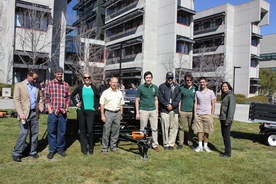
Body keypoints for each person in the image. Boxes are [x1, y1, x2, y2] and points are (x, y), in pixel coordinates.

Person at [12, 70, 43, 162]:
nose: (35, 80)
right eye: (34, 78)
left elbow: (40, 98)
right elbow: (16, 100)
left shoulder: (37, 86)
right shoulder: (19, 85)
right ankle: (17, 152)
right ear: (28, 76)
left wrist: (41, 106)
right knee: (23, 133)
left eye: (36, 79)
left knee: (35, 133)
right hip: (24, 114)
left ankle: (32, 151)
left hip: (34, 113)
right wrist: (20, 112)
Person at [44, 67, 70, 159]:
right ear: (55, 74)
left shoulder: (66, 85)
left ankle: (60, 149)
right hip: (53, 112)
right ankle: (52, 150)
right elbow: (46, 97)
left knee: (62, 132)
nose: (60, 75)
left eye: (61, 74)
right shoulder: (50, 84)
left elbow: (67, 98)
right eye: (58, 74)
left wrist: (66, 108)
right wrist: (49, 109)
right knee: (51, 131)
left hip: (62, 112)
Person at [71, 73, 100, 155]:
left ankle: (91, 147)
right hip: (81, 111)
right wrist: (76, 103)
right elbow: (72, 95)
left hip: (91, 111)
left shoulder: (94, 88)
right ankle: (84, 148)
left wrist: (96, 106)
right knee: (82, 130)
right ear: (83, 79)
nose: (87, 79)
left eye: (88, 77)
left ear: (90, 78)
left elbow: (98, 96)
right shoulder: (80, 87)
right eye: (85, 77)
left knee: (90, 130)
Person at [136, 71, 160, 152]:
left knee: (154, 129)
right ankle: (141, 143)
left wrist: (157, 111)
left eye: (149, 77)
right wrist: (137, 112)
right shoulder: (140, 88)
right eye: (147, 78)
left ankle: (155, 144)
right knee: (142, 129)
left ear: (151, 78)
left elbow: (156, 100)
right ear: (144, 79)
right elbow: (137, 100)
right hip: (143, 110)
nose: (148, 79)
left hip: (153, 110)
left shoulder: (155, 88)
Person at [100, 77, 124, 154]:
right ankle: (104, 148)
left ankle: (113, 147)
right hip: (108, 113)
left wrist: (121, 114)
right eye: (113, 82)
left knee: (115, 132)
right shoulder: (105, 92)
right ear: (110, 83)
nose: (114, 84)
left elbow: (121, 104)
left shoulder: (119, 93)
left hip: (117, 113)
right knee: (106, 131)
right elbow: (102, 104)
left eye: (116, 82)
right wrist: (102, 115)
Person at [158, 72, 181, 150]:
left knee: (174, 127)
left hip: (174, 110)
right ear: (166, 78)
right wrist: (167, 105)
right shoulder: (161, 86)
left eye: (171, 78)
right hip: (165, 110)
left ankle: (171, 144)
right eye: (168, 78)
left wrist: (173, 105)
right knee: (165, 127)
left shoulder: (177, 87)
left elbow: (178, 98)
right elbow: (160, 98)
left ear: (173, 78)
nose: (170, 79)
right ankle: (166, 144)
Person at [193, 77, 216, 152]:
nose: (202, 83)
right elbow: (196, 103)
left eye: (203, 82)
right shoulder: (197, 92)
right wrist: (195, 114)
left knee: (207, 131)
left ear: (206, 83)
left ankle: (205, 146)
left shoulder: (211, 92)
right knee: (199, 131)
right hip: (199, 114)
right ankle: (200, 146)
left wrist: (211, 115)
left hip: (207, 114)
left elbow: (213, 104)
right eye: (201, 82)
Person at [178, 73, 197, 149]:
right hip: (183, 110)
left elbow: (196, 101)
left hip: (191, 111)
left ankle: (190, 143)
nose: (189, 81)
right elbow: (180, 99)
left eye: (190, 80)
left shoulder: (195, 88)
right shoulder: (181, 88)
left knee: (191, 128)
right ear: (185, 81)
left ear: (192, 80)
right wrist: (179, 109)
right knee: (181, 128)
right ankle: (180, 143)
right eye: (187, 80)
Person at [219, 82, 236, 158]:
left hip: (226, 120)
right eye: (223, 86)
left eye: (225, 86)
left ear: (229, 87)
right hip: (222, 118)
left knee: (226, 136)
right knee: (224, 135)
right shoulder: (225, 95)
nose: (224, 88)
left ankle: (228, 153)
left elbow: (231, 109)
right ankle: (226, 152)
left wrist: (228, 120)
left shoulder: (230, 96)